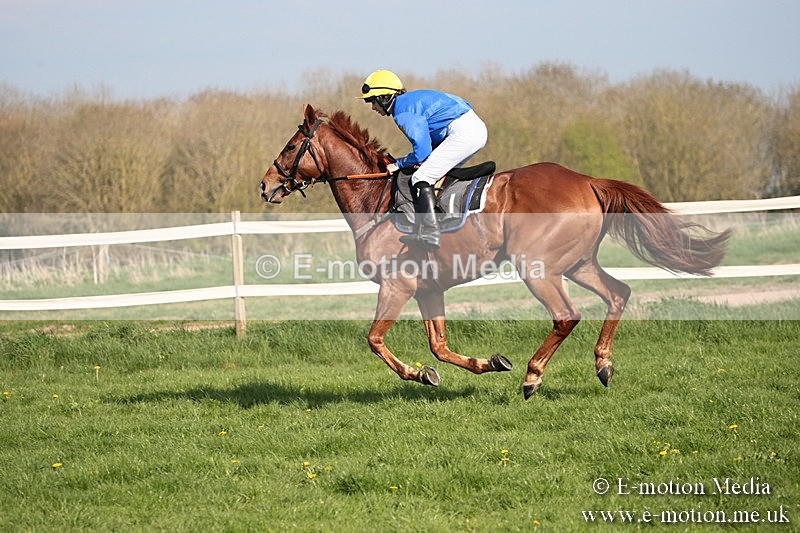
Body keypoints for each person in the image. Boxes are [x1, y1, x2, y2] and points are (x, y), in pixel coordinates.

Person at [359, 69, 488, 249]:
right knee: (433, 173)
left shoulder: (402, 112)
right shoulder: (409, 102)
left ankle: (430, 232)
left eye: (372, 101)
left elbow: (422, 151)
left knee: (421, 177)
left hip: (463, 132)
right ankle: (443, 217)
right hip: (470, 129)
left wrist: (399, 164)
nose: (373, 107)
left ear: (385, 97)